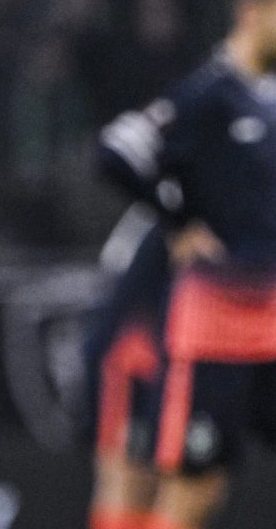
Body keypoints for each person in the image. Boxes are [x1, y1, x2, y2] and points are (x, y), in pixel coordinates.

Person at [96, 0, 276, 529]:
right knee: (196, 494)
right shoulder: (208, 95)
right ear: (252, 13)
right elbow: (118, 150)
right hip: (214, 324)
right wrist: (178, 222)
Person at [82, 208, 168, 529]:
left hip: (153, 361)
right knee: (124, 477)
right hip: (129, 362)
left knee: (152, 481)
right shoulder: (165, 214)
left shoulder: (152, 213)